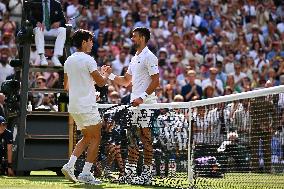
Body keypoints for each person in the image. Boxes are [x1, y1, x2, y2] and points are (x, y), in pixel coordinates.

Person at [107, 27, 159, 185]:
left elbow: (156, 80)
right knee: (132, 139)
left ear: (142, 38)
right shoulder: (135, 57)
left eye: (134, 36)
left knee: (146, 138)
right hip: (135, 104)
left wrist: (142, 98)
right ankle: (129, 173)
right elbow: (125, 81)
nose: (132, 39)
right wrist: (108, 75)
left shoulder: (150, 57)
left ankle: (148, 174)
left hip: (146, 105)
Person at [61, 29, 112, 185]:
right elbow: (102, 82)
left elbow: (66, 86)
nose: (92, 43)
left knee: (87, 136)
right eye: (90, 41)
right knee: (96, 137)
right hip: (86, 105)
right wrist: (106, 73)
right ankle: (85, 173)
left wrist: (89, 89)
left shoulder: (68, 60)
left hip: (75, 106)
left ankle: (69, 166)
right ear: (84, 42)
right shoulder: (89, 60)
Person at [29, 0, 66, 66]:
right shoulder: (35, 2)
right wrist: (36, 22)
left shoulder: (56, 4)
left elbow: (63, 19)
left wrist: (59, 23)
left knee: (63, 30)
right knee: (38, 29)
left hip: (52, 29)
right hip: (40, 29)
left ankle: (56, 57)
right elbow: (29, 16)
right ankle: (42, 57)